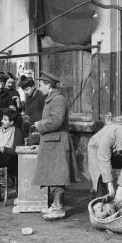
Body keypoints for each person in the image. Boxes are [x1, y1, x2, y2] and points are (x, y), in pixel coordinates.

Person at [32, 72, 79, 220]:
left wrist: (39, 125)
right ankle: (55, 205)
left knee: (57, 175)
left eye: (41, 85)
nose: (40, 88)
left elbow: (57, 121)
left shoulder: (58, 99)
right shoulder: (51, 99)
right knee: (53, 175)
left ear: (49, 85)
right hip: (52, 142)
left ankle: (59, 208)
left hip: (57, 142)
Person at [87, 122, 122, 197]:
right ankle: (98, 197)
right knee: (100, 175)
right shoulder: (110, 134)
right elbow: (104, 159)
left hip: (116, 151)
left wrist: (121, 187)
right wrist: (109, 183)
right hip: (97, 148)